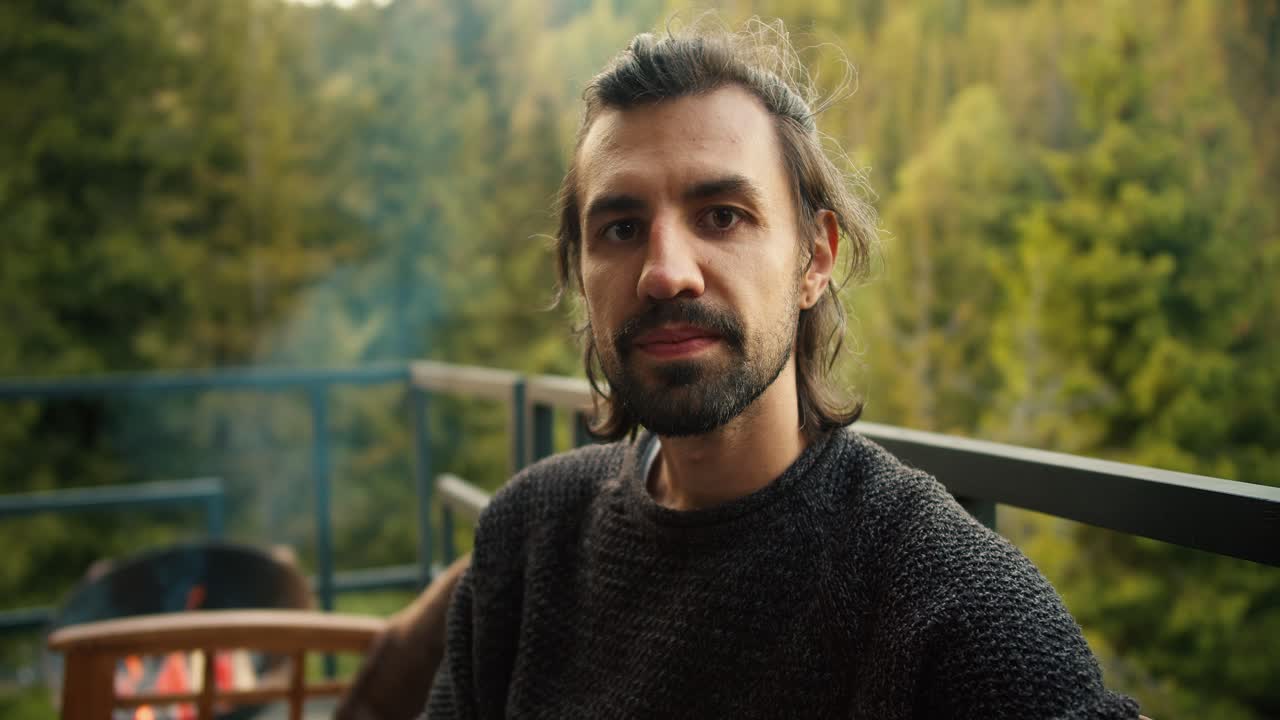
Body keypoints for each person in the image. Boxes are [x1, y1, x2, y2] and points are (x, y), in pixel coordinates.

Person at [344, 19, 1145, 720]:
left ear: (814, 260)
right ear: (580, 272)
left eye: (721, 216)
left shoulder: (948, 602)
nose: (666, 273)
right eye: (621, 227)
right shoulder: (528, 536)